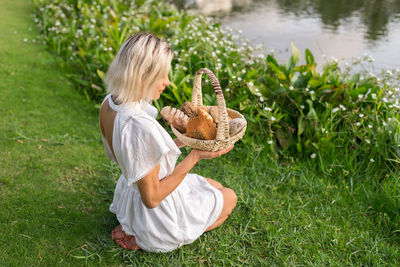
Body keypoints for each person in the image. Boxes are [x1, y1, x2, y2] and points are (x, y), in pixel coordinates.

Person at [99, 33, 237, 252]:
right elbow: (152, 198)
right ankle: (143, 237)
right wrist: (195, 156)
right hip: (156, 216)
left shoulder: (110, 103)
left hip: (130, 194)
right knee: (230, 198)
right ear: (142, 74)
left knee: (215, 186)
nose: (167, 81)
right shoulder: (138, 126)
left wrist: (187, 141)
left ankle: (133, 225)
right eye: (161, 75)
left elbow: (139, 155)